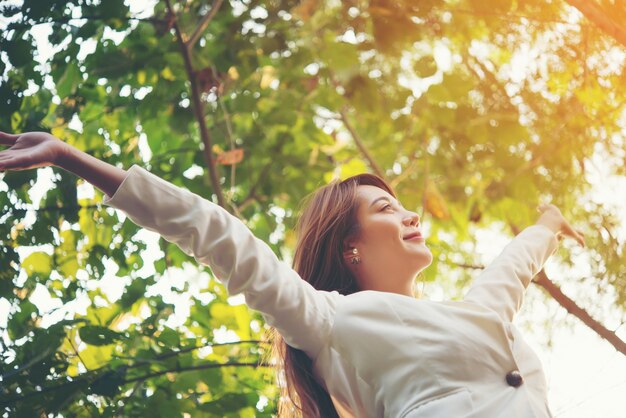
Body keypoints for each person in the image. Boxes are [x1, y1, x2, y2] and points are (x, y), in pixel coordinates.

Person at [0, 131, 585, 418]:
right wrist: (70, 158)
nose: (410, 214)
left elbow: (512, 268)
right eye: (384, 209)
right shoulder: (331, 320)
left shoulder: (470, 314)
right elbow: (220, 235)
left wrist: (549, 224)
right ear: (348, 247)